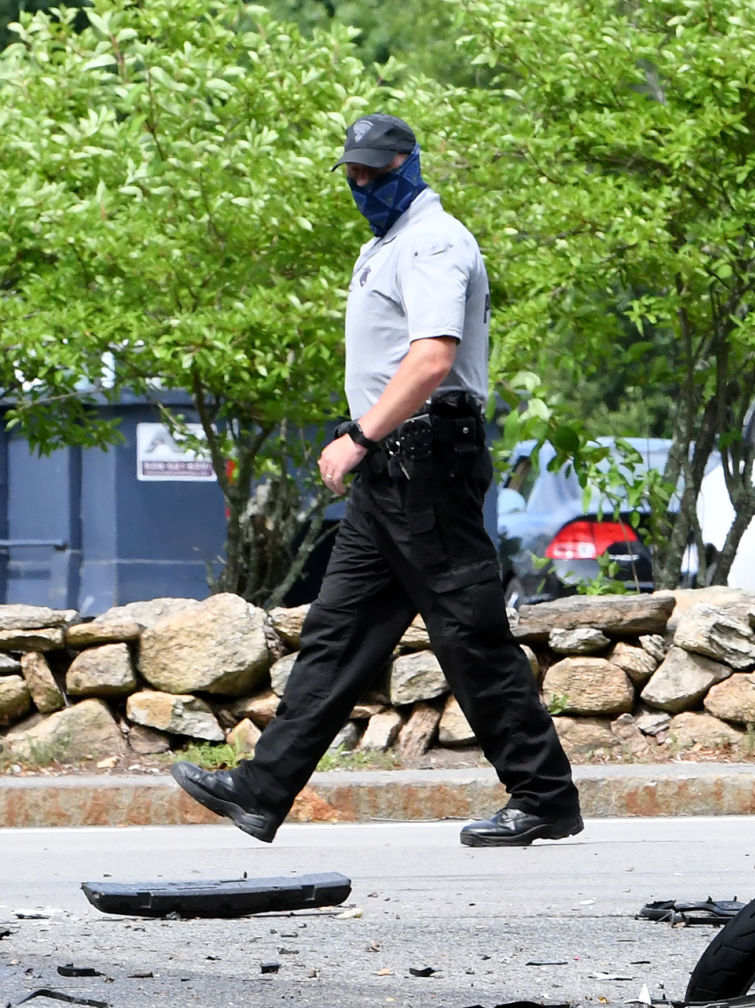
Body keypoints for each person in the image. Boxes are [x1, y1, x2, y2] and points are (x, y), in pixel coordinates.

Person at [171, 113, 581, 848]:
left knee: (468, 635)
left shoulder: (433, 241)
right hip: (395, 469)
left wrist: (361, 435)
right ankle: (262, 790)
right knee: (337, 633)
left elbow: (432, 357)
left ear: (410, 165)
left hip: (424, 461)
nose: (363, 184)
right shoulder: (386, 244)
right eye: (354, 173)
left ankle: (545, 795)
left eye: (376, 172)